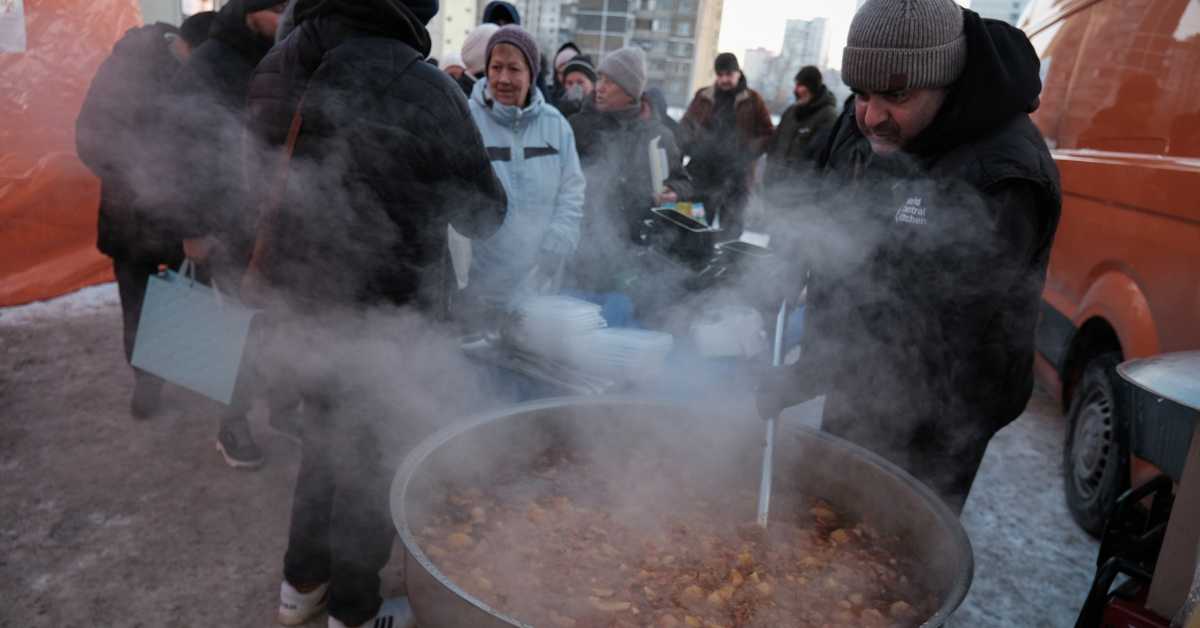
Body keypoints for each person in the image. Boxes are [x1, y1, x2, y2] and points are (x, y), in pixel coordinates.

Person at [241, 1, 508, 626]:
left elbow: (244, 172)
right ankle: (355, 611)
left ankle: (300, 587)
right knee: (374, 462)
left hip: (304, 307)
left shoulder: (280, 61)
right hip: (393, 312)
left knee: (322, 446)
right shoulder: (426, 85)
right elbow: (484, 215)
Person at [756, 0, 1062, 514]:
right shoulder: (870, 123)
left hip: (939, 415)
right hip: (854, 377)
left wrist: (808, 375)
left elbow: (933, 330)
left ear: (945, 81)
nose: (872, 116)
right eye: (860, 94)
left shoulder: (1004, 174)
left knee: (889, 550)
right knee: (826, 516)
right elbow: (821, 197)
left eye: (896, 95)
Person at [163, 0, 286, 469]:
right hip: (227, 226)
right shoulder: (208, 64)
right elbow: (180, 153)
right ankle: (232, 423)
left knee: (284, 325)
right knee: (238, 330)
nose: (289, 17)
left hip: (280, 224)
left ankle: (282, 408)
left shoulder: (286, 56)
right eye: (281, 7)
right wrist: (191, 228)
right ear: (255, 9)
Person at [74, 12, 215, 421]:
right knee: (137, 296)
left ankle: (181, 365)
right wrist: (136, 179)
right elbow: (88, 137)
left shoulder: (202, 69)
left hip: (184, 211)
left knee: (186, 290)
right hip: (129, 212)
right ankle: (146, 381)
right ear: (182, 45)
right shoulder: (126, 66)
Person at [465, 25, 584, 312]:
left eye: (514, 69)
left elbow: (572, 191)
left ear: (531, 73)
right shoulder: (468, 120)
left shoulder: (555, 126)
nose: (503, 78)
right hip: (480, 284)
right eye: (496, 67)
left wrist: (557, 242)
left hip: (539, 281)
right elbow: (453, 197)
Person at [568, 47, 692, 294]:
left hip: (634, 254)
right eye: (599, 78)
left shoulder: (659, 135)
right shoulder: (577, 126)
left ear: (630, 91)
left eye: (610, 81)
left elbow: (683, 182)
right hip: (582, 252)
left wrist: (674, 192)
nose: (599, 87)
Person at [678, 52, 773, 238]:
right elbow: (685, 127)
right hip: (702, 174)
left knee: (730, 235)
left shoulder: (753, 100)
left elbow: (768, 134)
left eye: (729, 74)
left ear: (738, 73)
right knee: (692, 229)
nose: (724, 80)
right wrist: (690, 147)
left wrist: (747, 152)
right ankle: (691, 263)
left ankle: (726, 265)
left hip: (737, 176)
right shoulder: (703, 96)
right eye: (720, 75)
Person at [763, 65, 839, 198]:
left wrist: (797, 191)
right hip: (773, 190)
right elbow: (774, 147)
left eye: (800, 86)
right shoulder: (791, 112)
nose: (795, 90)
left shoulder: (828, 117)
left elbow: (818, 161)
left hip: (798, 196)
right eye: (796, 85)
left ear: (812, 88)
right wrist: (767, 177)